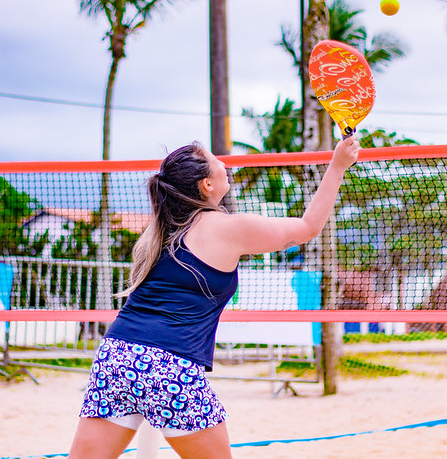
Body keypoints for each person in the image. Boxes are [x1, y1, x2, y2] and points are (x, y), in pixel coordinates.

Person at [68, 136, 360, 459]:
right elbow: (307, 227)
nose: (225, 163)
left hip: (117, 356)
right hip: (170, 366)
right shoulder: (226, 228)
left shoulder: (160, 231)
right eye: (215, 159)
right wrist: (337, 166)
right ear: (207, 184)